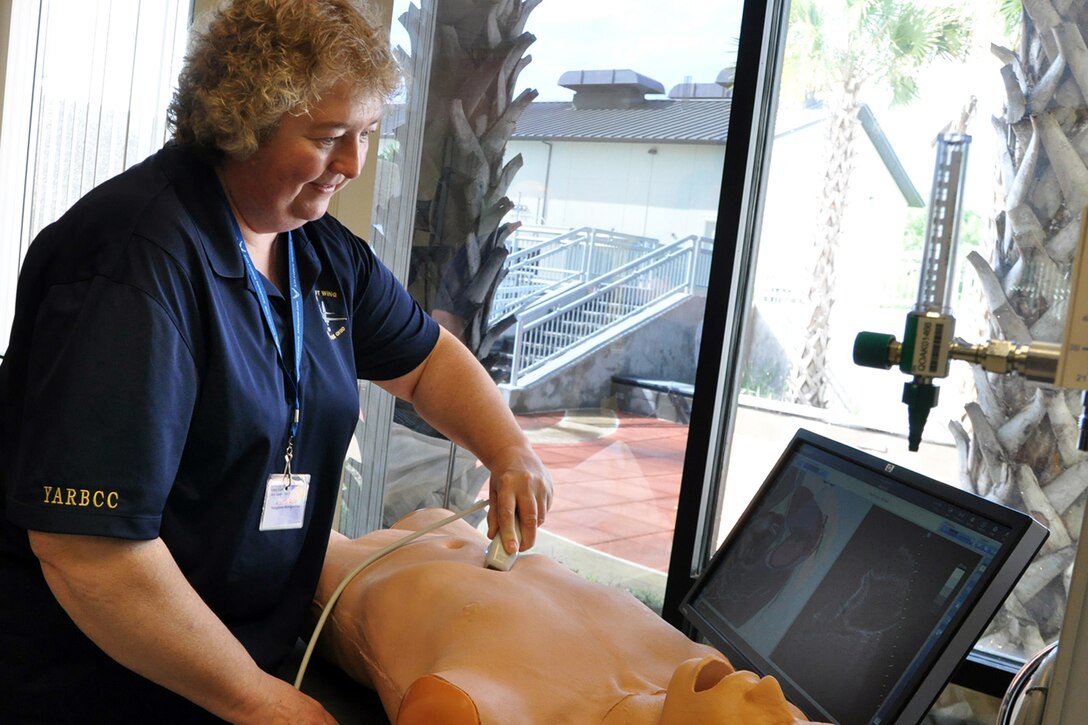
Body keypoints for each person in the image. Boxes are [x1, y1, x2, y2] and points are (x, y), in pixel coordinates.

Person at [0, 1, 552, 722]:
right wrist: (256, 700)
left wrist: (509, 447)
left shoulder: (317, 249)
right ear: (242, 122)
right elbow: (90, 553)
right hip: (101, 684)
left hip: (239, 662)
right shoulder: (135, 261)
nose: (353, 165)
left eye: (366, 135)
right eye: (329, 138)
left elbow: (426, 364)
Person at [314, 508, 819, 724]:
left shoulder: (484, 711)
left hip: (331, 563)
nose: (774, 690)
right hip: (466, 532)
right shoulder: (702, 667)